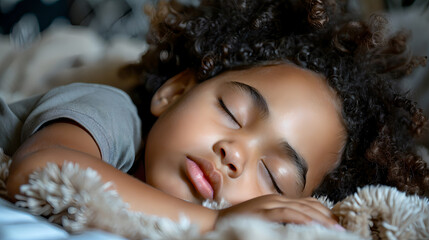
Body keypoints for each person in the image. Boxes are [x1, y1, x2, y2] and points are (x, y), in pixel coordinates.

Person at [3, 0, 428, 234]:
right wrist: (217, 220)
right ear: (175, 93)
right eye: (231, 111)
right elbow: (39, 171)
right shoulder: (108, 113)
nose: (234, 153)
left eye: (274, 175)